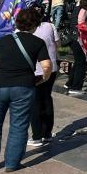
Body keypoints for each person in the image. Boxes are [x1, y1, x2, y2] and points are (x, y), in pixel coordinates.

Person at [0, 8, 52, 172]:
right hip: (24, 86)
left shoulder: (5, 40)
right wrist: (43, 79)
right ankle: (12, 163)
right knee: (19, 125)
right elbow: (47, 65)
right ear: (35, 25)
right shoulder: (37, 42)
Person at [28, 8, 59, 147]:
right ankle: (47, 134)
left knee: (35, 102)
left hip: (35, 70)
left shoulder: (23, 31)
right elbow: (58, 44)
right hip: (51, 67)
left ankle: (37, 136)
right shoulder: (50, 26)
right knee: (47, 98)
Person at [64, 0, 87, 95]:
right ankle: (75, 87)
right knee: (81, 63)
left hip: (72, 38)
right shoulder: (84, 10)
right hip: (78, 39)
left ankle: (69, 83)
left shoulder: (77, 8)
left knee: (77, 62)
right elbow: (81, 24)